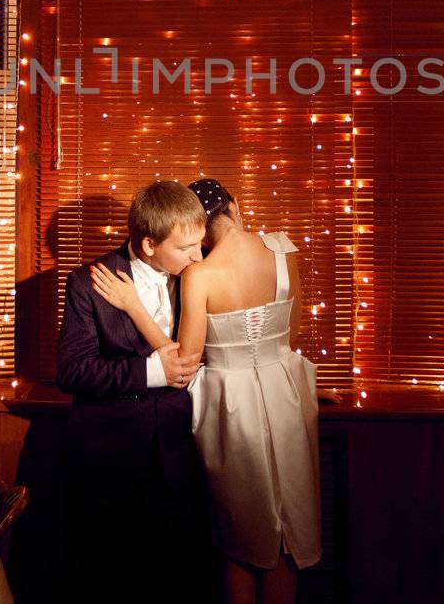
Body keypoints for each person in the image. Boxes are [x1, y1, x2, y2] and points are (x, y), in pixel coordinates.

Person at [90, 177, 322, 604]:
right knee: (287, 536)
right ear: (235, 204)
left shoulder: (201, 274)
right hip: (286, 392)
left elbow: (184, 362)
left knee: (240, 538)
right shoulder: (282, 248)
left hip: (232, 403)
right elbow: (296, 329)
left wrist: (133, 306)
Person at [55, 179, 218, 602]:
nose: (198, 256)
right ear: (149, 244)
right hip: (112, 454)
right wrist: (151, 372)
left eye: (200, 244)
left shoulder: (198, 276)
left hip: (183, 452)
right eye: (186, 248)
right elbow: (73, 372)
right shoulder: (88, 283)